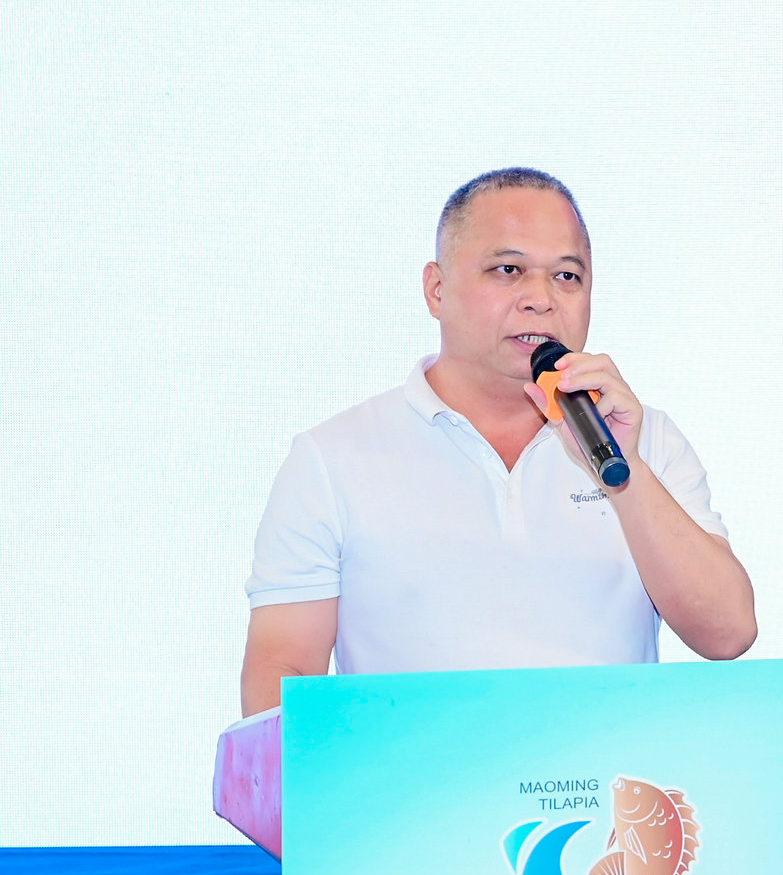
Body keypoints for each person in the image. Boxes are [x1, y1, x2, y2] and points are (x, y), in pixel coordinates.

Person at [240, 169, 756, 716]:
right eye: (508, 270)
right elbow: (284, 671)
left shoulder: (644, 438)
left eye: (567, 276)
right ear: (436, 289)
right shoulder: (333, 458)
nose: (541, 299)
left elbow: (727, 634)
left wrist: (623, 470)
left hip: (606, 770)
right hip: (417, 771)